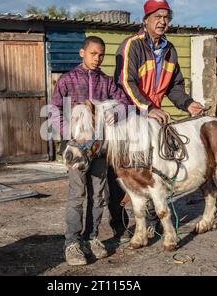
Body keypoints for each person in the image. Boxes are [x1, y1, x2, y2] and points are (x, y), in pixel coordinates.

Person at [111, 0, 206, 238]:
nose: (162, 22)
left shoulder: (170, 50)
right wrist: (147, 107)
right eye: (157, 17)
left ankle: (151, 222)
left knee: (153, 170)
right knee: (123, 172)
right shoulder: (132, 45)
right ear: (145, 20)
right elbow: (126, 82)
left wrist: (188, 104)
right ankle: (119, 223)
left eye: (166, 17)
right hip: (129, 115)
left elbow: (174, 86)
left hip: (153, 116)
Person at [50, 36, 130, 266]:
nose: (97, 58)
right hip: (76, 147)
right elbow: (54, 109)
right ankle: (72, 243)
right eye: (93, 53)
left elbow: (124, 103)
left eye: (101, 54)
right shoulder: (67, 80)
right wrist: (69, 132)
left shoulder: (106, 82)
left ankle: (91, 237)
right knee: (77, 194)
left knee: (99, 195)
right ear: (81, 53)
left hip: (99, 149)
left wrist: (113, 115)